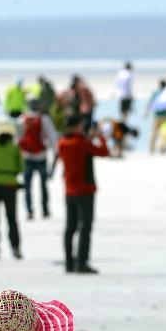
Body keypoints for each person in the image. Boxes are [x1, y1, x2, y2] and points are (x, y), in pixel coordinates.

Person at [58, 115, 110, 274]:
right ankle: (81, 262)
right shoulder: (82, 143)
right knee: (85, 227)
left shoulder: (62, 143)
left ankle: (69, 262)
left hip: (69, 190)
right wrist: (99, 136)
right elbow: (104, 151)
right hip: (85, 190)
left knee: (70, 227)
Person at [18, 98, 58, 219]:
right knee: (43, 186)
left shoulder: (21, 119)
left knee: (27, 186)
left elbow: (18, 139)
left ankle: (29, 211)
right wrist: (55, 155)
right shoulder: (44, 119)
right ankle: (45, 210)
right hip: (41, 157)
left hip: (26, 157)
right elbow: (52, 137)